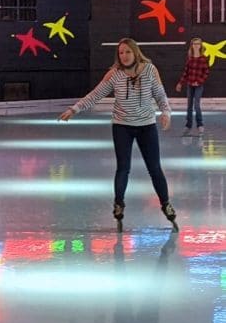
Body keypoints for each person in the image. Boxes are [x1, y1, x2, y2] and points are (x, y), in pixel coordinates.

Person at [59, 37, 176, 230]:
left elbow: (160, 93)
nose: (124, 55)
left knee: (154, 167)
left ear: (135, 52)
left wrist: (166, 111)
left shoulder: (149, 70)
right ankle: (119, 204)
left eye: (128, 52)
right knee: (123, 167)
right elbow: (95, 95)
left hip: (147, 126)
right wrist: (74, 109)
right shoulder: (114, 74)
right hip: (122, 126)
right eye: (121, 53)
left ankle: (166, 204)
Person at [175, 37, 210, 136]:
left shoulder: (203, 59)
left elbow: (206, 73)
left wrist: (199, 81)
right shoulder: (190, 59)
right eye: (194, 44)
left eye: (198, 44)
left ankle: (200, 125)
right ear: (192, 46)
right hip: (190, 85)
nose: (196, 46)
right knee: (189, 106)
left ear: (200, 46)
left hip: (199, 85)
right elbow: (186, 73)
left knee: (196, 105)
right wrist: (180, 83)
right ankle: (188, 126)